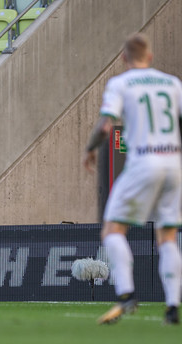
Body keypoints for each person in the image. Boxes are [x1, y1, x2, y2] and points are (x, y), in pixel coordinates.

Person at [83, 33, 182, 325]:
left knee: (113, 230)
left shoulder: (120, 84)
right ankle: (173, 306)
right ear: (150, 57)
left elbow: (105, 125)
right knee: (167, 236)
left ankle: (126, 295)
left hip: (143, 161)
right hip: (173, 163)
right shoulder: (173, 83)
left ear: (124, 58)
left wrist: (90, 149)